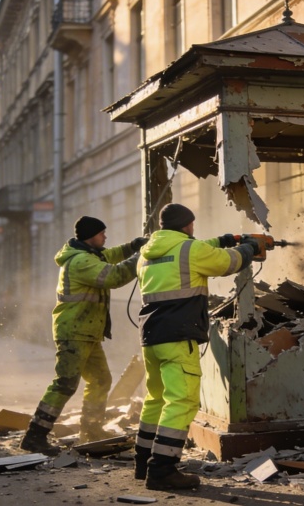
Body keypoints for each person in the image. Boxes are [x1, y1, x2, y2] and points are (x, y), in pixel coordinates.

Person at [133, 204, 258, 490]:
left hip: (151, 337)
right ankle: (162, 470)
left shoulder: (147, 253)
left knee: (156, 399)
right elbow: (228, 263)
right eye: (192, 225)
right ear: (188, 225)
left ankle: (143, 462)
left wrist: (224, 239)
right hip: (178, 337)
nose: (194, 229)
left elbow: (191, 249)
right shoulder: (191, 251)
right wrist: (249, 248)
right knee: (182, 401)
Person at [19, 216, 146, 453]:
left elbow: (112, 256)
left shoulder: (91, 255)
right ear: (90, 236)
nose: (105, 237)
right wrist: (141, 257)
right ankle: (35, 435)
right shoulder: (80, 262)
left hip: (87, 333)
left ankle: (91, 429)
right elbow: (114, 276)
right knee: (65, 383)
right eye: (102, 234)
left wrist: (133, 246)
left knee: (100, 379)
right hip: (74, 332)